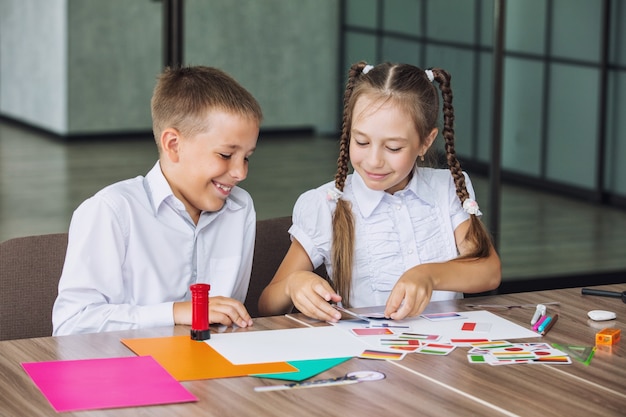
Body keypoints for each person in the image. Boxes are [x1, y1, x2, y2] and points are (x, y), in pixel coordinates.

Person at [258, 61, 501, 322]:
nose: (374, 161)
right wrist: (293, 284)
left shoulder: (447, 188)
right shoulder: (327, 204)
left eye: (393, 148)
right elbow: (267, 304)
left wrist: (428, 275)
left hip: (445, 353)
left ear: (425, 142)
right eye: (361, 141)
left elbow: (488, 271)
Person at [53, 66, 262, 335]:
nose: (240, 172)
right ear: (173, 145)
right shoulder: (112, 211)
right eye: (225, 155)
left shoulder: (240, 209)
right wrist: (174, 312)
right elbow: (70, 325)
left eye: (246, 157)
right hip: (131, 369)